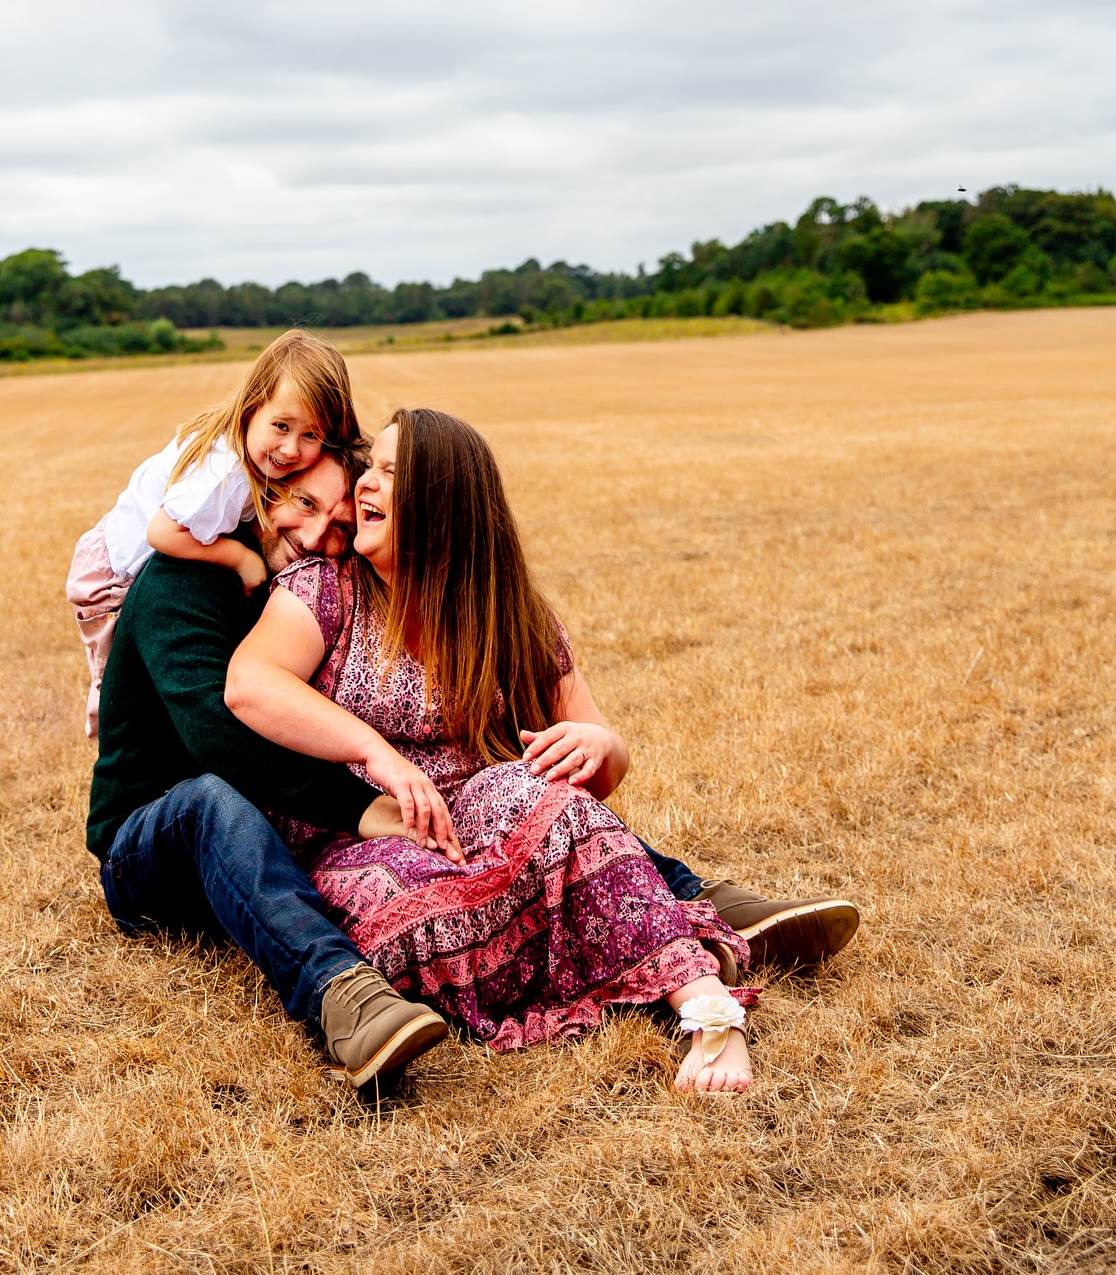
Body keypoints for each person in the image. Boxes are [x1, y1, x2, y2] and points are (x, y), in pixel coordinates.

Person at [227, 410, 801, 1093]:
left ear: (444, 503)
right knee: (409, 910)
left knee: (547, 802)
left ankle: (710, 1014)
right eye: (369, 467)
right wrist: (377, 754)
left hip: (480, 816)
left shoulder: (508, 612)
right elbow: (250, 684)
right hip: (359, 835)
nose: (366, 486)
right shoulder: (324, 592)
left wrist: (599, 745)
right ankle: (616, 936)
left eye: (389, 473)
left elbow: (605, 766)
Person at [86, 448, 457, 1088]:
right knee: (210, 798)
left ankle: (664, 886)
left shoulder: (307, 591)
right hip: (150, 846)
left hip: (268, 828)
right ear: (263, 486)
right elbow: (219, 738)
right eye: (303, 505)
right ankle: (344, 997)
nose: (315, 538)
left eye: (340, 527)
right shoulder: (179, 581)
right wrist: (362, 809)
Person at [68, 330, 362, 739]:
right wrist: (242, 560)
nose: (292, 449)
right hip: (109, 575)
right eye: (281, 426)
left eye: (311, 435)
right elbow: (161, 533)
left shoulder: (245, 447)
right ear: (252, 407)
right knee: (119, 684)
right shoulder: (227, 475)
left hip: (115, 541)